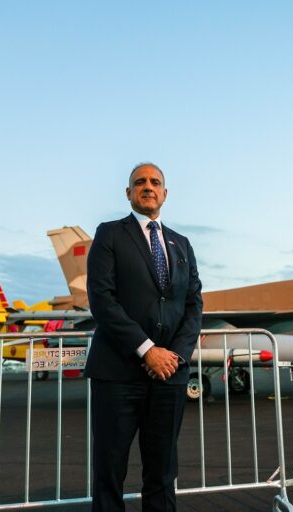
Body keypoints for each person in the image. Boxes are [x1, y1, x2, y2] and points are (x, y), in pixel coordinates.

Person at [84, 162, 203, 512]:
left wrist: (175, 356)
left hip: (169, 376)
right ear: (128, 193)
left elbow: (194, 304)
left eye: (154, 182)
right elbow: (102, 300)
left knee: (163, 473)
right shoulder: (109, 235)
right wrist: (147, 350)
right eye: (140, 182)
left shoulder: (182, 244)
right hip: (118, 374)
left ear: (165, 193)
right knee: (110, 471)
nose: (147, 186)